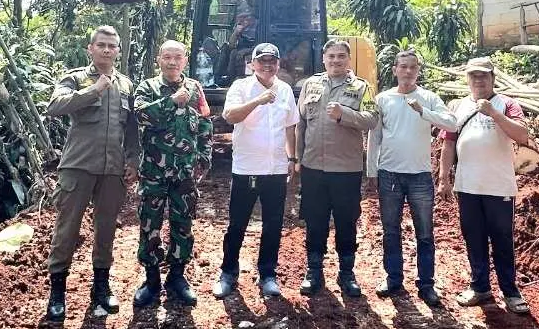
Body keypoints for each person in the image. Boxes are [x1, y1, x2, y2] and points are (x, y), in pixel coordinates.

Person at [44, 25, 140, 321]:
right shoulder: (75, 78)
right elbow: (54, 106)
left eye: (112, 46)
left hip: (113, 169)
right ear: (91, 49)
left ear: (119, 51)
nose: (107, 50)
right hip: (78, 166)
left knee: (106, 228)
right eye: (101, 45)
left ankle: (101, 286)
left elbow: (133, 129)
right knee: (67, 229)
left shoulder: (126, 85)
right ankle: (57, 292)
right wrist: (93, 90)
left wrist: (134, 160)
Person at [438, 57, 532, 315]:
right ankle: (480, 287)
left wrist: (493, 113)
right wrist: (444, 178)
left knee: (502, 239)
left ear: (493, 78)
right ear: (467, 79)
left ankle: (510, 292)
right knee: (474, 238)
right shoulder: (458, 106)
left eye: (484, 76)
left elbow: (522, 135)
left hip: (499, 186)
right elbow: (448, 144)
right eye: (474, 76)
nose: (479, 80)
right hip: (467, 185)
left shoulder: (507, 104)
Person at [365, 50, 458, 306]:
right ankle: (394, 278)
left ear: (418, 71)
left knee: (425, 233)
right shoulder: (383, 99)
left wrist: (424, 112)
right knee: (390, 230)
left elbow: (452, 124)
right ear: (394, 70)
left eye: (413, 67)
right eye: (403, 67)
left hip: (419, 175)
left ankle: (426, 284)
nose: (408, 71)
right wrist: (371, 171)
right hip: (389, 174)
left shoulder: (428, 98)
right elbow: (375, 137)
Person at [212, 43, 299, 299]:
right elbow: (230, 116)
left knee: (273, 224)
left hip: (275, 170)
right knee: (237, 223)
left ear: (279, 65)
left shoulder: (284, 90)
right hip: (247, 169)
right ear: (252, 64)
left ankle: (268, 274)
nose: (267, 65)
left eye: (272, 61)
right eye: (262, 61)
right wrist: (259, 100)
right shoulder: (241, 87)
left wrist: (292, 158)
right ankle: (228, 273)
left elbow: (290, 127)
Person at [132, 40, 213, 308]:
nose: (172, 62)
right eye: (167, 57)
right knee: (149, 224)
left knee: (183, 224)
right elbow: (141, 116)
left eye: (177, 57)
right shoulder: (147, 87)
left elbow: (204, 123)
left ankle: (177, 277)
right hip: (154, 172)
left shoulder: (195, 88)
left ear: (185, 60)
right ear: (159, 60)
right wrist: (171, 102)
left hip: (185, 173)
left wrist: (204, 157)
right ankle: (152, 279)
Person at [296, 39, 377, 297]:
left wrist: (345, 114)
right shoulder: (310, 84)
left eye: (341, 56)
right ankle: (314, 270)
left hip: (346, 169)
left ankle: (346, 273)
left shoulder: (362, 88)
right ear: (323, 58)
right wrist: (297, 159)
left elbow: (372, 120)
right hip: (313, 168)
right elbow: (300, 124)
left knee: (346, 221)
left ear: (348, 59)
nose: (336, 61)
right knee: (314, 220)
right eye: (331, 56)